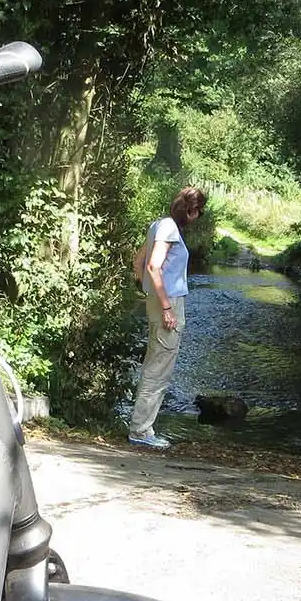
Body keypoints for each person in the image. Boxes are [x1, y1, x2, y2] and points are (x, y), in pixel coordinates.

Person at [127, 186, 208, 449]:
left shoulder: (158, 225)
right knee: (158, 370)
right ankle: (141, 431)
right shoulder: (170, 229)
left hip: (157, 299)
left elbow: (139, 261)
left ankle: (141, 427)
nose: (198, 216)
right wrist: (165, 306)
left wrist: (146, 288)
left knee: (154, 363)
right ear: (190, 209)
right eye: (198, 211)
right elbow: (153, 265)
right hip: (168, 303)